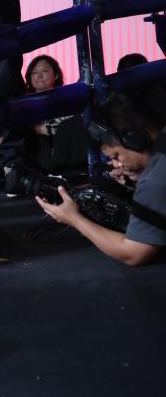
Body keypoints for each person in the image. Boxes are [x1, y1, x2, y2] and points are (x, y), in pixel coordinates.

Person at [36, 92, 166, 266]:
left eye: (117, 155)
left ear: (135, 140)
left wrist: (73, 218)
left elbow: (133, 254)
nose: (118, 164)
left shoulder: (154, 181)